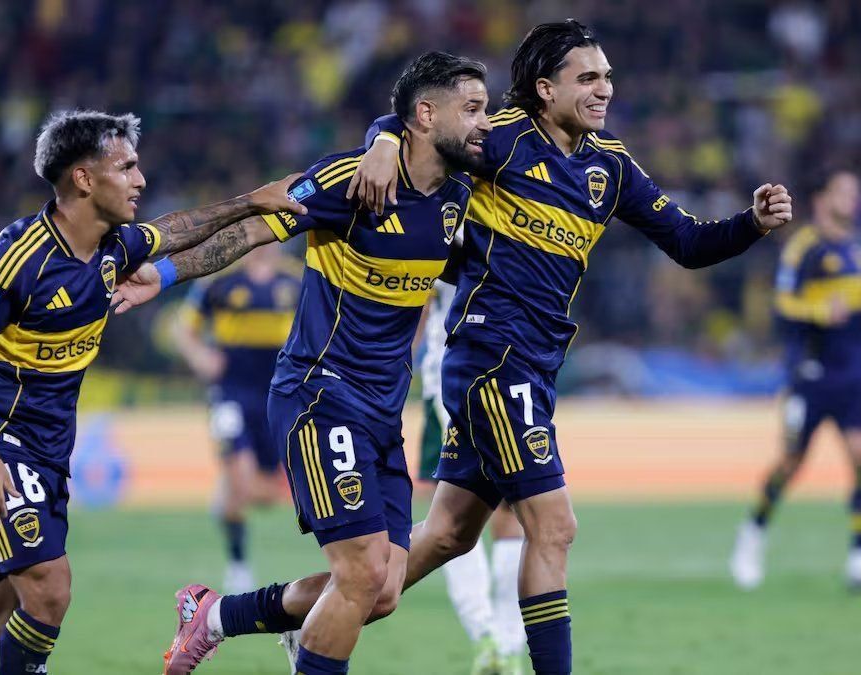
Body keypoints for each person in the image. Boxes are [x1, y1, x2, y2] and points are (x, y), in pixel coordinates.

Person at [269, 20, 795, 675]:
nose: (605, 89)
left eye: (607, 76)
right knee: (554, 526)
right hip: (492, 358)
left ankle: (237, 616)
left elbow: (687, 242)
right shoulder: (503, 138)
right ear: (545, 89)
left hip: (537, 366)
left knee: (447, 537)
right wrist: (381, 139)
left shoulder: (611, 166)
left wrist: (751, 223)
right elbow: (427, 126)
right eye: (588, 78)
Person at [0, 109, 304, 673]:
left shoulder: (112, 246)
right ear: (84, 178)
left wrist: (251, 203)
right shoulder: (17, 259)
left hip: (49, 451)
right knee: (50, 588)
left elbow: (178, 231)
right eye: (126, 167)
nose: (141, 179)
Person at [111, 51, 491, 675]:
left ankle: (214, 615)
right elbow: (251, 229)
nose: (484, 123)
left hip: (382, 409)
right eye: (472, 109)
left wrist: (385, 134)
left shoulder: (459, 194)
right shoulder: (351, 181)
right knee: (361, 574)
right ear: (426, 114)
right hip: (321, 391)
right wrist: (167, 272)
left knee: (382, 591)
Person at [730, 170, 861, 591]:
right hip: (810, 375)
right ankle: (752, 534)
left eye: (855, 192)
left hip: (852, 374)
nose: (853, 199)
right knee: (790, 463)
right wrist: (819, 312)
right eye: (844, 191)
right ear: (822, 199)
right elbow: (782, 306)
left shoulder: (858, 250)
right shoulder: (803, 248)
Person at [173, 244, 300, 592]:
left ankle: (226, 499)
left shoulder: (296, 279)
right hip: (229, 394)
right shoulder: (220, 279)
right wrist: (200, 357)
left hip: (276, 394)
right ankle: (238, 565)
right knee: (241, 480)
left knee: (265, 494)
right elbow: (183, 327)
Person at [417, 280, 527, 675]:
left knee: (452, 516)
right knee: (507, 511)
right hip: (503, 375)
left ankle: (488, 638)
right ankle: (504, 643)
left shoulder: (438, 240)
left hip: (451, 381)